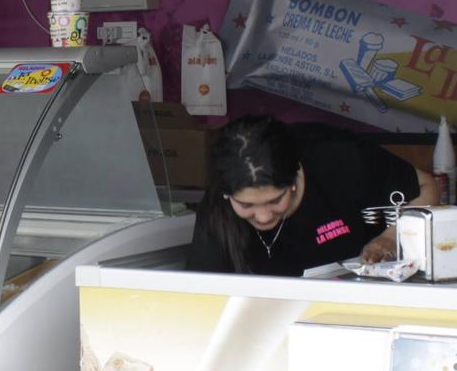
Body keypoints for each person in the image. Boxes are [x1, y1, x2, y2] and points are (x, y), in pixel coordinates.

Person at [187, 115, 442, 277]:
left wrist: (390, 237)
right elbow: (200, 295)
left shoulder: (340, 157)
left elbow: (427, 187)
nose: (263, 217)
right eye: (246, 205)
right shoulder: (218, 207)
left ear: (296, 174)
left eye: (276, 200)